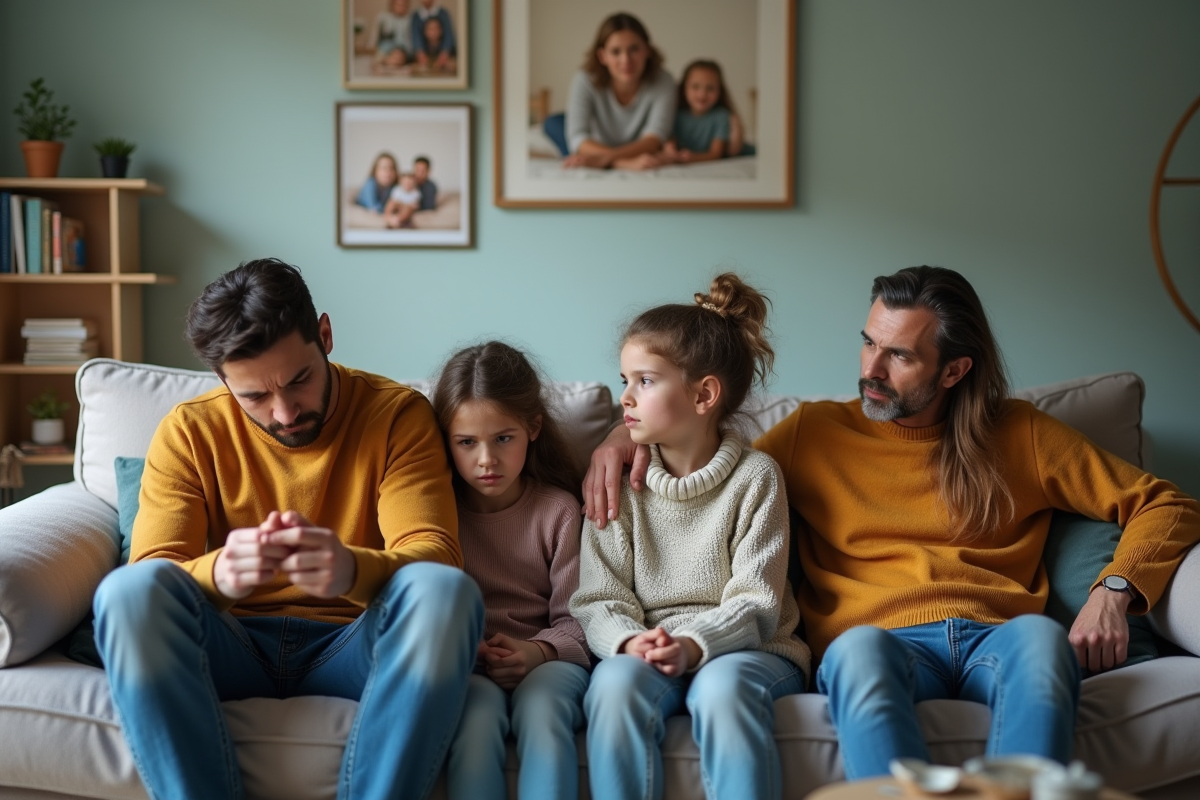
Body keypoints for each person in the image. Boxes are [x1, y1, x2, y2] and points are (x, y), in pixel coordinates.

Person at [583, 265, 1200, 780]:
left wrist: (1114, 591)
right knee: (855, 655)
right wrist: (618, 436)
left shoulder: (1022, 434)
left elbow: (1166, 504)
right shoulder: (812, 434)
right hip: (877, 638)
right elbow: (708, 454)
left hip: (999, 633)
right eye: (869, 342)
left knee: (1043, 643)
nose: (871, 369)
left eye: (899, 355)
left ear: (954, 370)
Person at [92, 258, 483, 800]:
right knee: (127, 593)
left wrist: (349, 567)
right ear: (222, 379)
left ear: (324, 335)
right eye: (253, 396)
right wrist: (220, 575)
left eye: (300, 380)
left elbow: (434, 555)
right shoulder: (189, 431)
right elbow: (154, 574)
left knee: (445, 591)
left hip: (353, 644)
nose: (284, 412)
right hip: (230, 642)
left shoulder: (396, 415)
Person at [570, 274, 810, 800]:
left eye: (645, 381)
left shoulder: (757, 477)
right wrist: (631, 642)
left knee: (722, 692)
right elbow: (597, 596)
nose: (625, 398)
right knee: (613, 687)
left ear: (703, 395)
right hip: (648, 646)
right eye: (624, 379)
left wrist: (694, 644)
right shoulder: (619, 485)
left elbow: (757, 601)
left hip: (749, 649)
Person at [432, 341, 592, 800]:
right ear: (445, 439)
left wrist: (536, 652)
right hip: (469, 665)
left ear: (533, 428)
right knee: (474, 718)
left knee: (543, 712)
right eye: (467, 442)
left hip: (550, 660)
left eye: (503, 438)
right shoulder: (437, 514)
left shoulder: (559, 511)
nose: (487, 459)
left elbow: (581, 617)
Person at [563, 13, 676, 171]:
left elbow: (655, 139)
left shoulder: (663, 80)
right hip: (597, 144)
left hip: (614, 149)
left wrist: (605, 158)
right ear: (602, 56)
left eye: (634, 49)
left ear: (647, 50)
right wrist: (622, 162)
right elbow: (578, 138)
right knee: (552, 125)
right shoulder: (584, 80)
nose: (626, 60)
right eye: (616, 52)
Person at [664, 59, 746, 164]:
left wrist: (692, 158)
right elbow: (670, 141)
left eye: (710, 88)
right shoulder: (674, 114)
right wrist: (670, 150)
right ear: (684, 88)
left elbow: (716, 154)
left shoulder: (721, 116)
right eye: (695, 86)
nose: (702, 94)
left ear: (720, 90)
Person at [411, 0, 457, 72]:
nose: (433, 32)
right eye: (430, 29)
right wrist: (421, 56)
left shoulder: (443, 13)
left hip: (444, 56)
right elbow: (416, 38)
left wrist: (443, 57)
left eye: (436, 28)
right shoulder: (416, 16)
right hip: (425, 57)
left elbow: (449, 36)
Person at [368, 0, 412, 72]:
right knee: (377, 61)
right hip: (385, 50)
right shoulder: (383, 17)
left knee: (398, 57)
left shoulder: (410, 19)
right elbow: (374, 37)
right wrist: (371, 48)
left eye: (403, 5)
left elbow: (409, 42)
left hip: (402, 52)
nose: (400, 7)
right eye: (398, 4)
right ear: (392, 5)